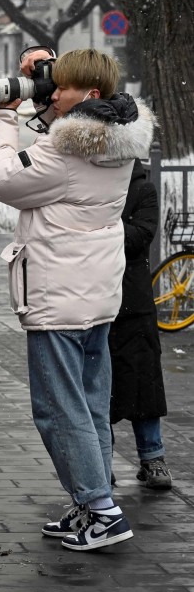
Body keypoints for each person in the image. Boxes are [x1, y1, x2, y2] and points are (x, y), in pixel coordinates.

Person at [0, 47, 155, 551]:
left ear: (91, 96)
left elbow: (0, 179)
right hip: (97, 294)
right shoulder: (118, 137)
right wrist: (41, 84)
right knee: (91, 405)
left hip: (59, 295)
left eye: (63, 87)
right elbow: (46, 147)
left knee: (60, 409)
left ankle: (102, 510)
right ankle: (90, 504)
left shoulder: (67, 152)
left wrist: (0, 113)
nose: (53, 93)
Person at [110, 160, 171, 489]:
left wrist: (99, 227)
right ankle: (101, 461)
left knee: (144, 383)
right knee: (97, 389)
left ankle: (153, 459)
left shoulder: (143, 187)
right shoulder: (90, 183)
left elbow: (139, 236)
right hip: (93, 300)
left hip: (134, 302)